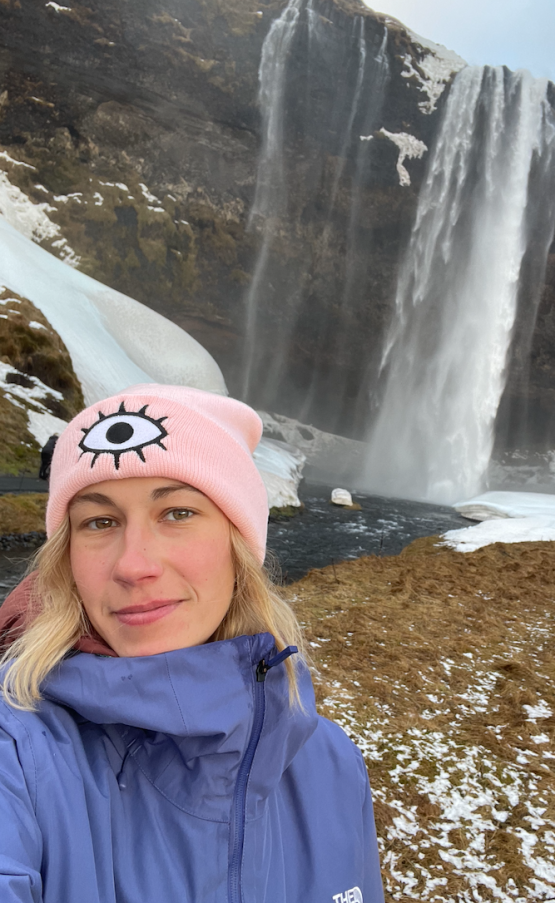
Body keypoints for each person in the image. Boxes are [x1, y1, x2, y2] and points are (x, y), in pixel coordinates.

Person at [0, 384, 384, 903]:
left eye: (177, 513)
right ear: (67, 559)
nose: (134, 565)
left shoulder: (333, 766)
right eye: (100, 521)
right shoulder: (18, 755)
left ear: (239, 544)